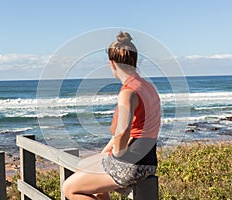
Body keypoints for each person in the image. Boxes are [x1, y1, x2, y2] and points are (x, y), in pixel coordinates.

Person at [62, 31, 161, 200]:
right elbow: (131, 131)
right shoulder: (147, 87)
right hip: (148, 161)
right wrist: (105, 153)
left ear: (112, 63)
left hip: (132, 164)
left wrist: (117, 155)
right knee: (83, 168)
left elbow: (123, 132)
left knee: (69, 188)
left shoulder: (128, 92)